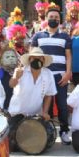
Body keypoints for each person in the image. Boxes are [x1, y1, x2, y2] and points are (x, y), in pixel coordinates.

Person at [31, 8, 73, 145]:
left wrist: (68, 73)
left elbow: (68, 56)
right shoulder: (38, 36)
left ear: (59, 20)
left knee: (62, 105)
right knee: (46, 107)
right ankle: (47, 132)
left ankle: (64, 131)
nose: (54, 19)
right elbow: (32, 56)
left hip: (60, 77)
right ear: (46, 18)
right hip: (43, 77)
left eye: (56, 17)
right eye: (51, 16)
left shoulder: (65, 36)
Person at [7, 47, 57, 151]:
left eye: (40, 58)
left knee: (36, 145)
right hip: (17, 114)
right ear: (29, 60)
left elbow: (49, 95)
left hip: (35, 116)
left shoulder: (48, 74)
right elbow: (11, 85)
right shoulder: (21, 70)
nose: (37, 60)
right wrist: (16, 77)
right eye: (33, 58)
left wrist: (45, 112)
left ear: (43, 60)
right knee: (12, 146)